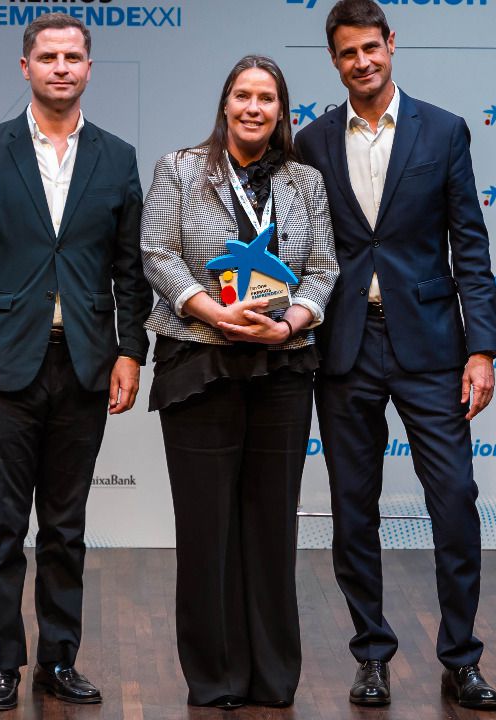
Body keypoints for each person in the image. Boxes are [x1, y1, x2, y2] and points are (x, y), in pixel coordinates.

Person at [0, 14, 151, 712]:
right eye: (49, 56)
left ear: (89, 68)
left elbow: (130, 269)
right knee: (2, 525)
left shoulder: (117, 157)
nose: (62, 67)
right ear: (25, 67)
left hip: (86, 365)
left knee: (65, 527)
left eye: (73, 57)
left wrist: (130, 351)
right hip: (1, 367)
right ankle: (3, 662)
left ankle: (58, 660)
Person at [293, 0, 496, 710]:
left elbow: (469, 244)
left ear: (391, 45)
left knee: (456, 500)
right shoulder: (311, 142)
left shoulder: (442, 130)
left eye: (371, 48)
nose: (362, 62)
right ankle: (371, 655)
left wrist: (483, 348)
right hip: (345, 346)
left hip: (432, 347)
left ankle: (462, 658)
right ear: (334, 61)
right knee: (353, 509)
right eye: (348, 53)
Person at [140, 55, 339, 710]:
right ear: (225, 103)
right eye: (243, 95)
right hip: (200, 362)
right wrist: (213, 311)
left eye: (267, 98)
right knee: (207, 529)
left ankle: (273, 678)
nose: (254, 108)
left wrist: (291, 323)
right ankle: (216, 677)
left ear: (282, 112)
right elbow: (157, 254)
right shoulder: (179, 168)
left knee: (272, 525)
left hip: (284, 364)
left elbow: (324, 268)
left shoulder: (305, 181)